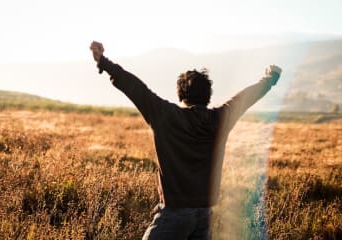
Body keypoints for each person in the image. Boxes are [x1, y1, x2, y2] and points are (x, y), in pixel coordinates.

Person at [90, 41, 282, 240]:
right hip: (205, 214)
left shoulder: (165, 115)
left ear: (180, 94)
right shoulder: (220, 118)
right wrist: (269, 79)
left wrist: (103, 62)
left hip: (175, 214)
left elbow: (135, 87)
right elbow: (244, 98)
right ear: (208, 96)